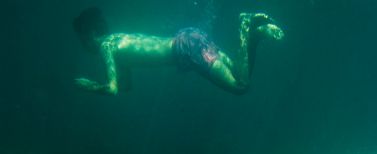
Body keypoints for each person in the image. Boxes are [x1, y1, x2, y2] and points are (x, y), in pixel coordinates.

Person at [72, 7, 284, 95]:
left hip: (186, 49)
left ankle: (247, 26)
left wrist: (90, 86)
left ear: (89, 35)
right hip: (190, 39)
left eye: (82, 41)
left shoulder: (106, 46)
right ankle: (257, 33)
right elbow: (126, 86)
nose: (84, 47)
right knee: (239, 73)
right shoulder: (117, 40)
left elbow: (113, 88)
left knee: (240, 86)